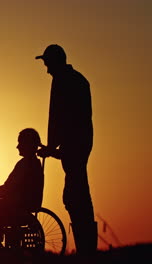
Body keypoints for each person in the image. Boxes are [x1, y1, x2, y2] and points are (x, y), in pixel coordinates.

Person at [35, 44, 97, 256]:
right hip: (82, 142)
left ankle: (86, 250)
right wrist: (52, 148)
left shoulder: (62, 81)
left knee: (75, 195)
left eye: (47, 64)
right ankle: (86, 248)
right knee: (77, 193)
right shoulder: (79, 80)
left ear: (55, 62)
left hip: (75, 144)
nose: (46, 69)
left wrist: (51, 147)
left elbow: (59, 118)